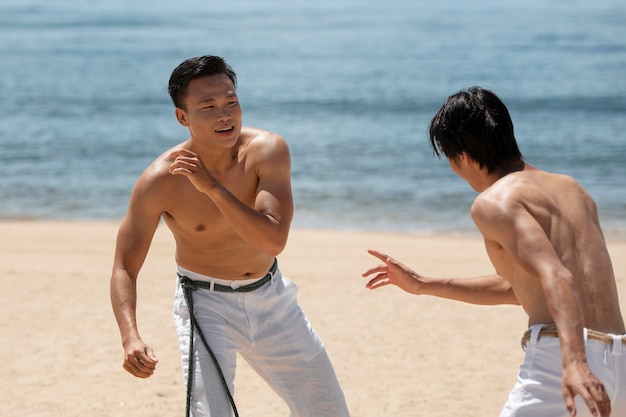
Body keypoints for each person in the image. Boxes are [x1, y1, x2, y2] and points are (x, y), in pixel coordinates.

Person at [362, 87, 625, 417]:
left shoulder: (495, 202)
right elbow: (529, 288)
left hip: (564, 361)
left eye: (450, 161)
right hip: (620, 362)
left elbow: (556, 275)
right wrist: (424, 284)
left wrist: (574, 363)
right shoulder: (573, 190)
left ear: (464, 157)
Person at [110, 55, 350, 417]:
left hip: (272, 299)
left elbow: (273, 240)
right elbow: (124, 266)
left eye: (231, 102)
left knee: (327, 409)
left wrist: (212, 189)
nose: (225, 115)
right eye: (208, 106)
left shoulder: (267, 151)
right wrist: (130, 336)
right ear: (183, 117)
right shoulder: (160, 181)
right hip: (205, 304)